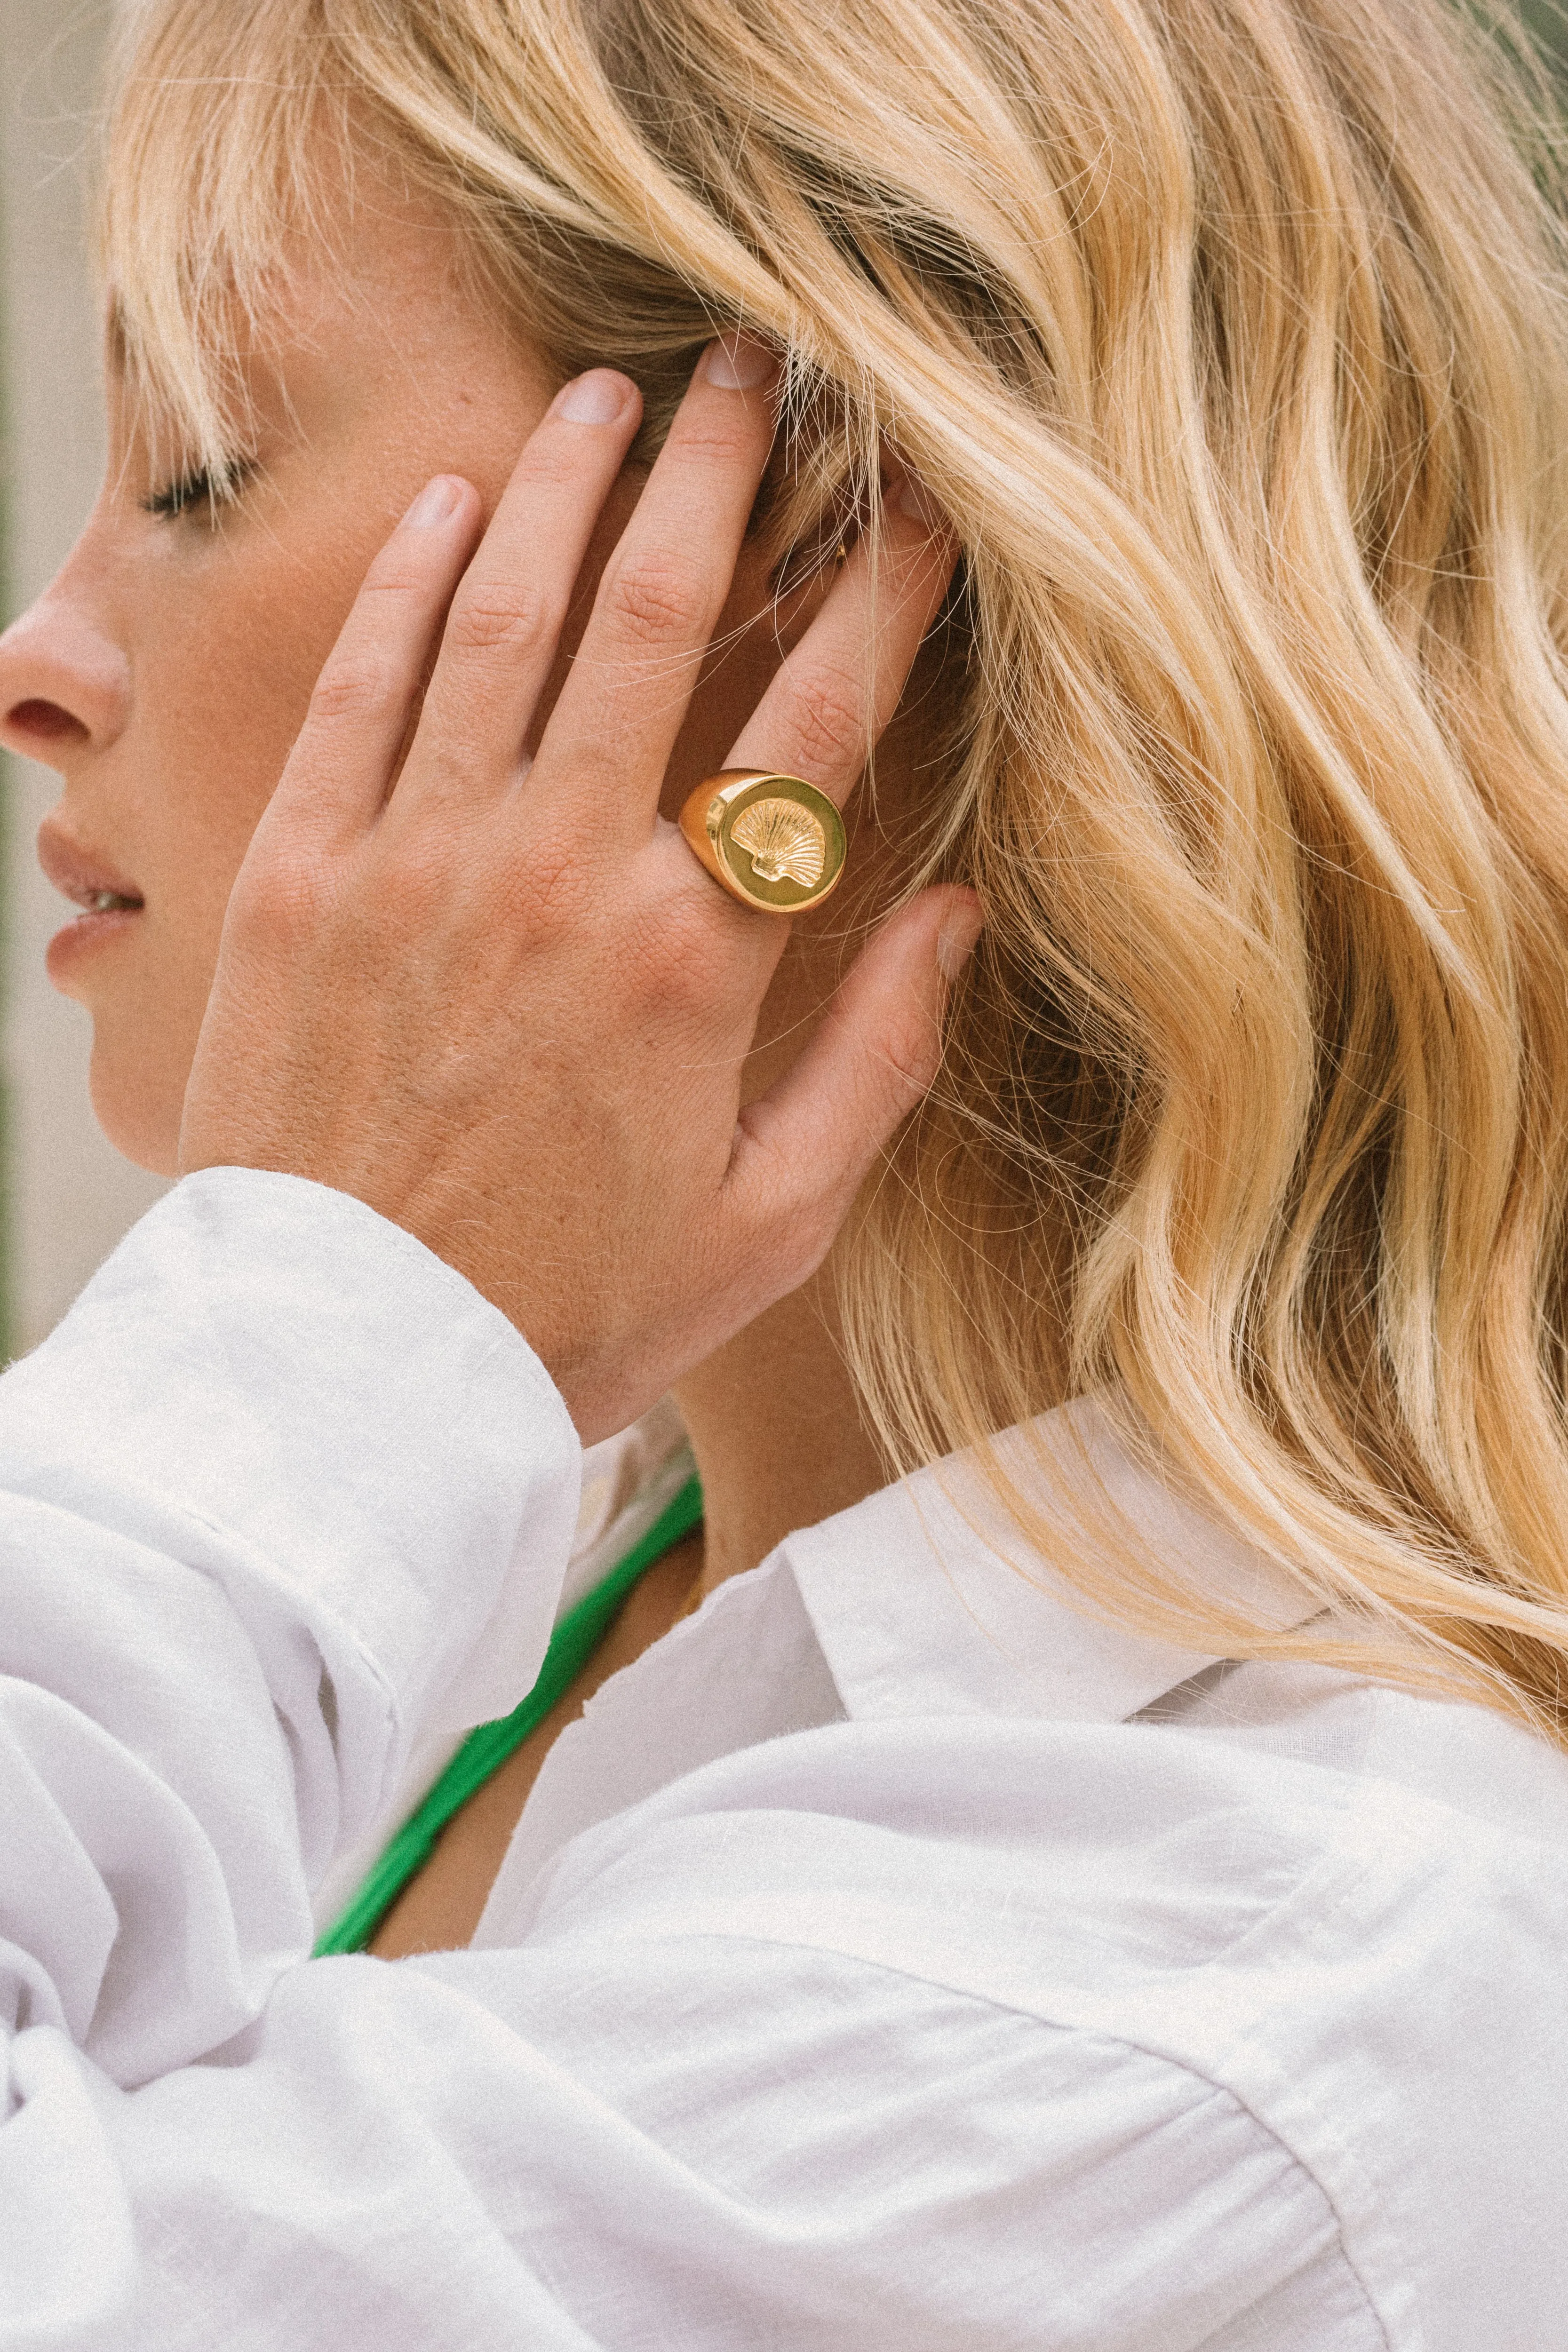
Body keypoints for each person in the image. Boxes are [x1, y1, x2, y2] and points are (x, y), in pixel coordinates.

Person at [0, 0, 1566, 2338]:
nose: (39, 655)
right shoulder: (523, 1576)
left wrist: (332, 1300)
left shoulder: (1178, 2016)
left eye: (204, 464)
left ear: (811, 566)